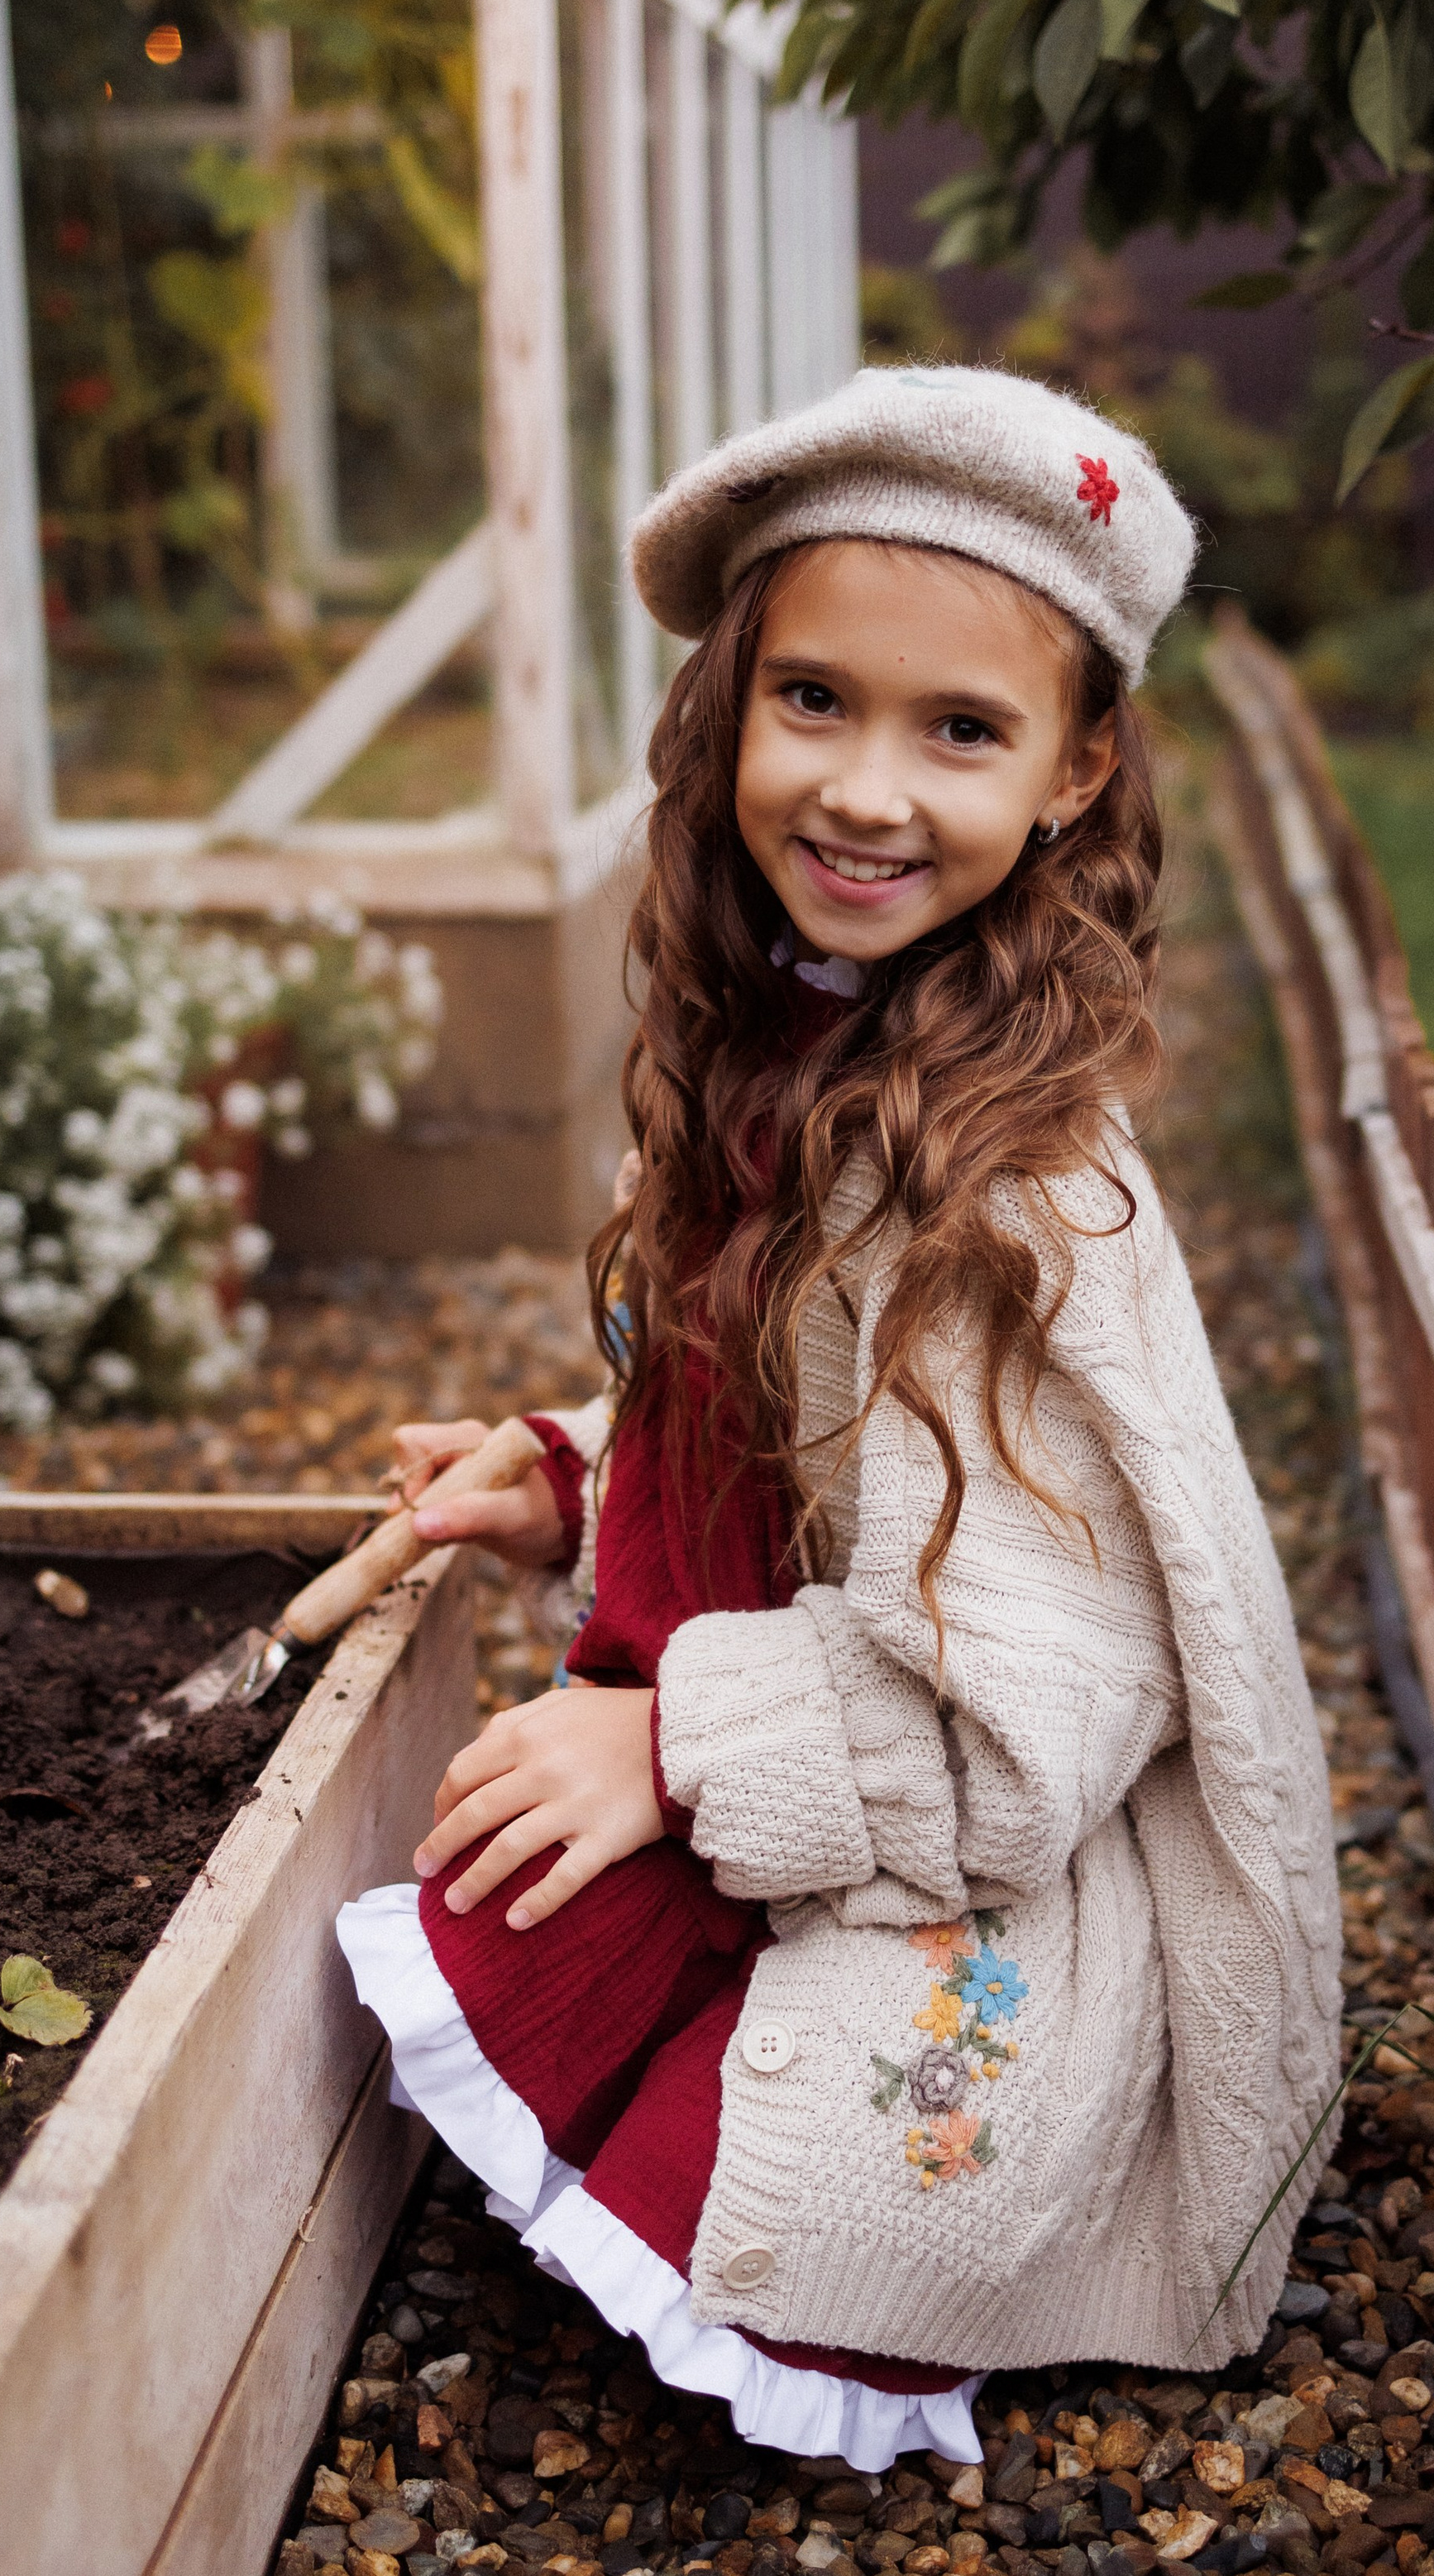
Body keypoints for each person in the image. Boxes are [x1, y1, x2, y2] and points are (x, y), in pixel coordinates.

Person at [337, 365, 1342, 2467]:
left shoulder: (1012, 1197)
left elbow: (1041, 1702)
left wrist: (668, 1744)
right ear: (729, 706)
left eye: (958, 730)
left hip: (986, 1819)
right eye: (813, 701)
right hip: (826, 1727)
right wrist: (578, 1468)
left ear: (1075, 768)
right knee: (493, 1908)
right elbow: (791, 1415)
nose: (864, 792)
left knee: (842, 2172)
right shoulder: (807, 1033)